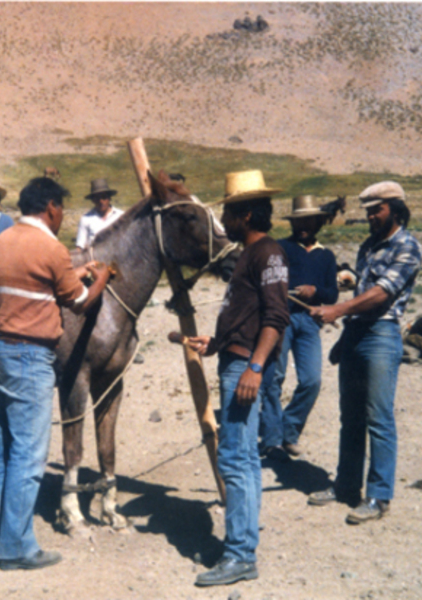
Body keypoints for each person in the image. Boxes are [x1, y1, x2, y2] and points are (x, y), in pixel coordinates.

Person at [0, 176, 111, 570]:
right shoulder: (51, 248)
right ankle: (16, 549)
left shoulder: (3, 238)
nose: (62, 217)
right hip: (30, 357)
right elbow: (80, 303)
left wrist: (75, 270)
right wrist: (100, 276)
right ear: (51, 207)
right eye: (61, 210)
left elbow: (39, 283)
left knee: (1, 448)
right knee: (29, 456)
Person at [186, 170, 290, 587]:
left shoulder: (268, 254)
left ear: (245, 215)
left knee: (237, 459)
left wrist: (254, 366)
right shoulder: (250, 254)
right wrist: (217, 343)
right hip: (235, 358)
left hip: (245, 368)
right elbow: (250, 316)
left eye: (228, 211)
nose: (223, 220)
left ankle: (240, 554)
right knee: (241, 458)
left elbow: (277, 316)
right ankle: (240, 549)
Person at [308, 181, 422, 524]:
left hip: (382, 334)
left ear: (395, 209)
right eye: (368, 211)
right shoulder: (368, 246)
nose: (371, 216)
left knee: (378, 417)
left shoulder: (408, 246)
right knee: (351, 416)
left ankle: (378, 496)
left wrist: (337, 310)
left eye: (378, 210)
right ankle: (346, 486)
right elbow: (363, 289)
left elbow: (381, 294)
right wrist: (344, 339)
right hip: (357, 334)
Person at [259, 195, 338, 459]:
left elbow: (332, 295)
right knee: (273, 379)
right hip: (281, 318)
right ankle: (271, 439)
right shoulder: (280, 248)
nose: (303, 226)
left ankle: (288, 429)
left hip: (310, 322)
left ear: (318, 222)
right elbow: (268, 279)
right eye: (298, 221)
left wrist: (315, 290)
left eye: (308, 221)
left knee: (312, 380)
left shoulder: (326, 256)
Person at [75, 178, 124, 250]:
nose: (101, 201)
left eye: (104, 197)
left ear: (109, 198)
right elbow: (80, 246)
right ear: (92, 200)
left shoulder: (120, 216)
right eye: (97, 198)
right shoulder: (86, 219)